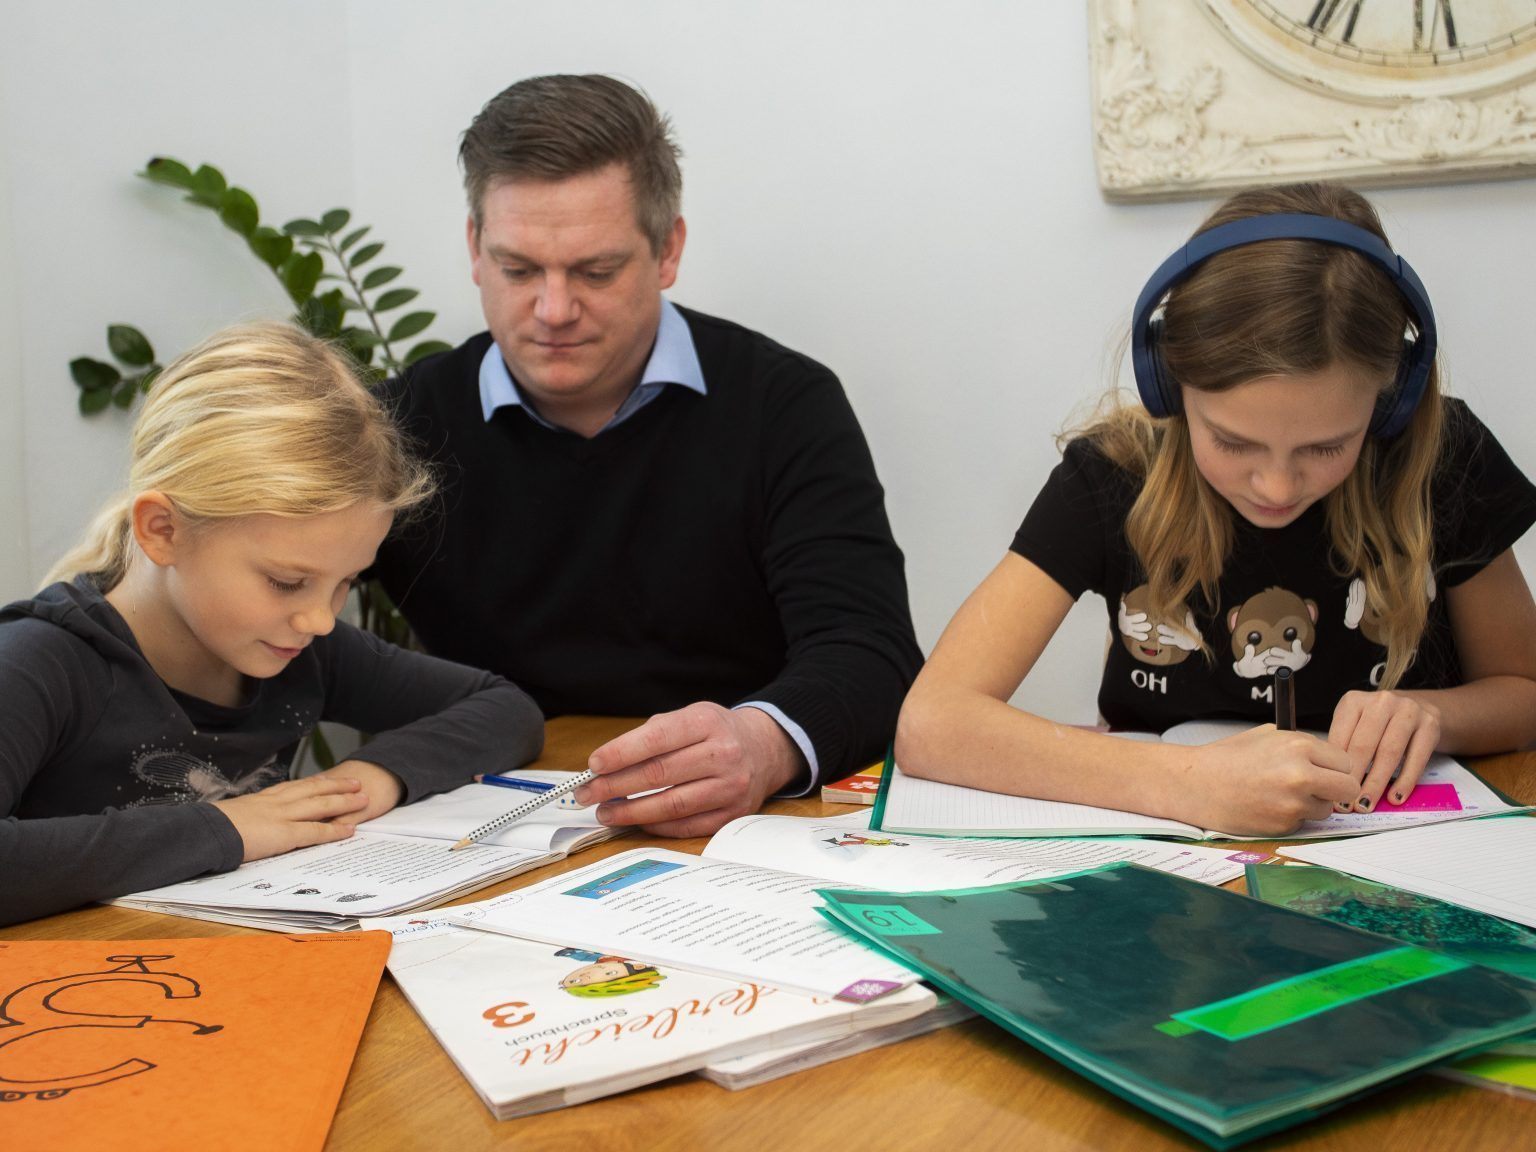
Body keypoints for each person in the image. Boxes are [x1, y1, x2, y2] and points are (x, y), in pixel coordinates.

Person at [896, 183, 1536, 837]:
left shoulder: (1444, 460)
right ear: (1169, 387)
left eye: (1326, 447)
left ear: (1391, 402)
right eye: (1232, 441)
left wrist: (1437, 714)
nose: (1277, 486)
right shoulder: (1112, 475)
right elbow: (933, 721)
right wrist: (1188, 783)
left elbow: (1525, 689)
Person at [373, 74, 921, 838]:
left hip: (736, 827)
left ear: (668, 250)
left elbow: (870, 652)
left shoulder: (782, 404)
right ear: (474, 249)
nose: (553, 310)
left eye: (595, 272)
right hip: (487, 825)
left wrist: (762, 744)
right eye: (518, 269)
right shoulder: (400, 426)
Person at [0, 323, 544, 926]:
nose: (320, 618)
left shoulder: (303, 648)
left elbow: (505, 708)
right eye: (286, 581)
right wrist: (226, 828)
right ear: (163, 531)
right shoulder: (36, 664)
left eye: (346, 581)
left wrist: (371, 778)